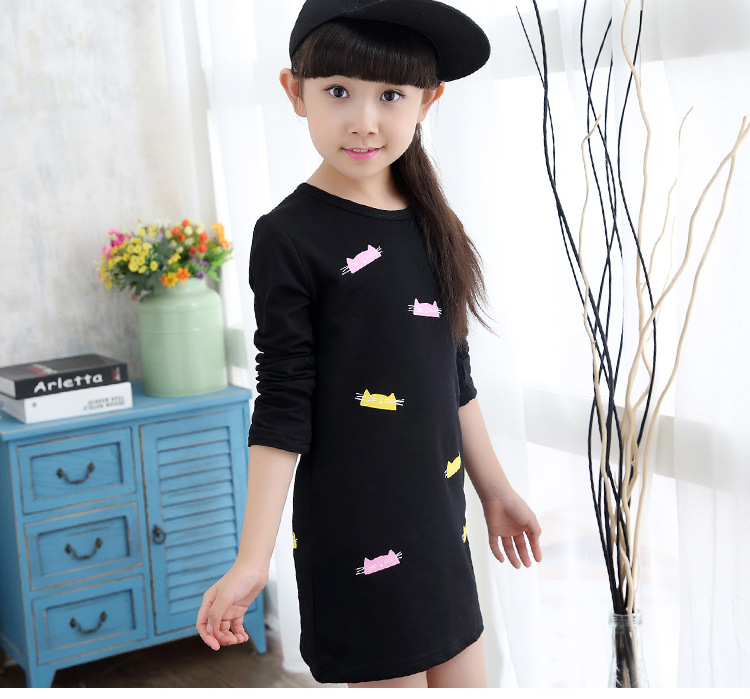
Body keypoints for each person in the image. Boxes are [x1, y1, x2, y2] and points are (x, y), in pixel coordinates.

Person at [196, 0, 542, 688]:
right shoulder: (288, 236)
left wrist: (495, 488)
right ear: (295, 92)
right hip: (356, 530)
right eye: (337, 91)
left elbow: (452, 373)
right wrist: (252, 559)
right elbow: (284, 400)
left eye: (390, 95)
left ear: (428, 101)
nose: (363, 120)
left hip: (439, 521)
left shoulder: (434, 222)